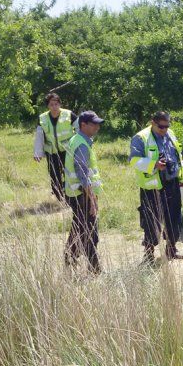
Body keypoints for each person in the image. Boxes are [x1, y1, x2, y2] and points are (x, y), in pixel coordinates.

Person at [129, 111, 183, 262]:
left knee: (174, 218)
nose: (164, 129)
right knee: (151, 220)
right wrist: (154, 164)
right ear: (152, 123)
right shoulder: (141, 137)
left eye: (167, 126)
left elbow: (178, 156)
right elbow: (134, 160)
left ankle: (171, 249)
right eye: (161, 126)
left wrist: (182, 175)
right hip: (152, 186)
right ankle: (149, 254)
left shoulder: (170, 134)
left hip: (172, 182)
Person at [63, 111, 104, 274]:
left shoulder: (79, 140)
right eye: (93, 124)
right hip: (82, 195)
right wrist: (92, 199)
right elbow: (82, 174)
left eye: (98, 124)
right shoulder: (81, 144)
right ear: (83, 125)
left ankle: (69, 258)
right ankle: (94, 269)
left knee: (79, 230)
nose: (97, 127)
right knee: (90, 234)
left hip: (78, 194)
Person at [33, 93, 78, 202]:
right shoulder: (42, 118)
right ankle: (60, 197)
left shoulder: (69, 114)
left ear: (60, 104)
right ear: (48, 106)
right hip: (51, 152)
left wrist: (79, 146)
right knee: (54, 176)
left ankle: (71, 197)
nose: (54, 107)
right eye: (51, 104)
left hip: (68, 151)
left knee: (70, 174)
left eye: (56, 104)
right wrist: (37, 153)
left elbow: (79, 129)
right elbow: (39, 136)